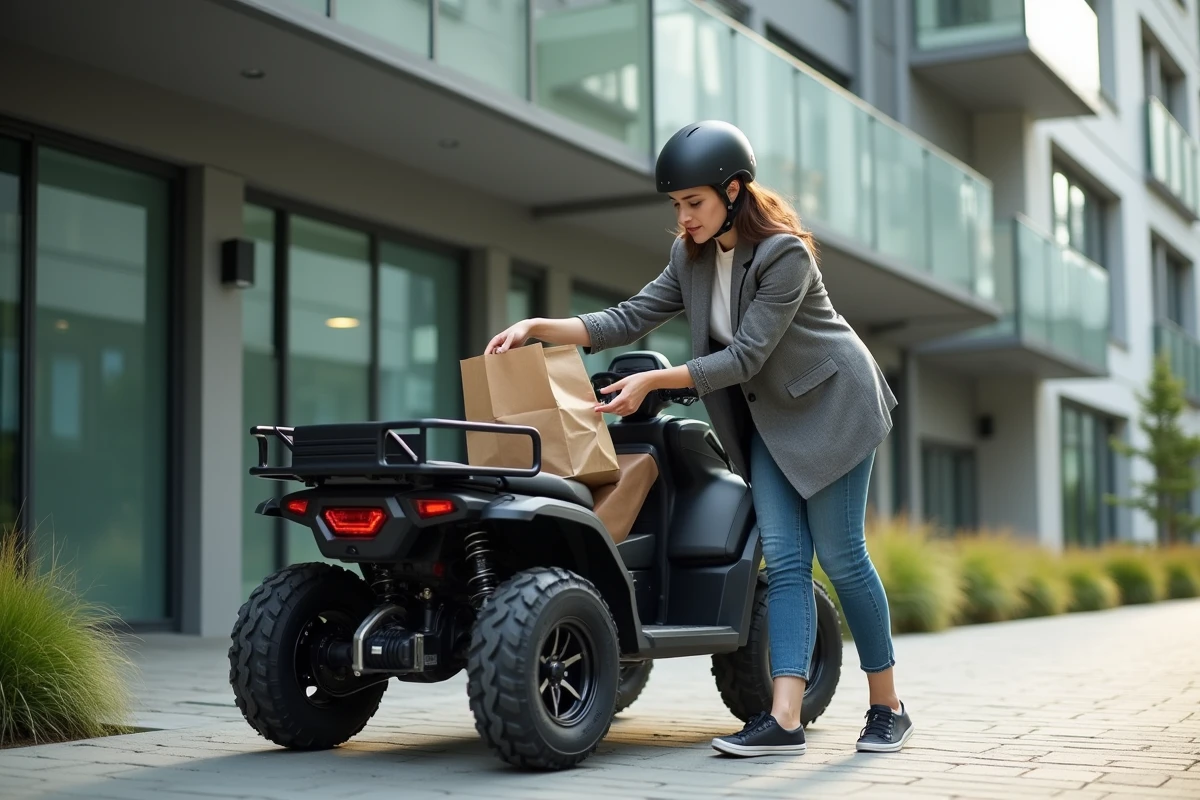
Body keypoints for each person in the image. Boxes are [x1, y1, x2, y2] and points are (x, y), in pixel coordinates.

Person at [485, 120, 913, 757]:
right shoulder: (688, 258)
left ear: (734, 190)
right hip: (770, 421)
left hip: (834, 408)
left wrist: (657, 379)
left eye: (694, 203)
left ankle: (888, 707)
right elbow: (627, 317)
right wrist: (537, 327)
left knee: (842, 555)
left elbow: (744, 356)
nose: (683, 218)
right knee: (788, 563)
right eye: (676, 205)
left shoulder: (784, 255)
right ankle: (785, 721)